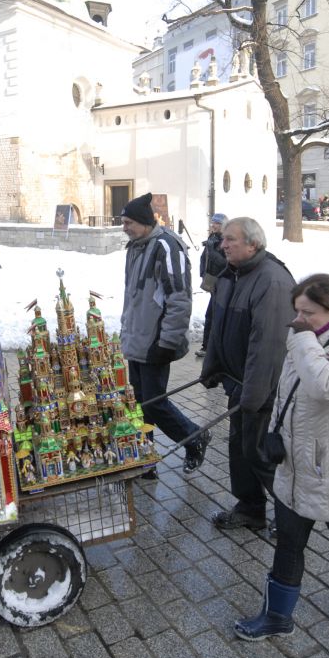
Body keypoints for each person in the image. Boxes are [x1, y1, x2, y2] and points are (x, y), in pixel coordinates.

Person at [235, 274, 329, 640]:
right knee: (288, 542)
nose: (298, 319)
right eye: (296, 311)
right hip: (297, 466)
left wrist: (302, 339)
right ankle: (276, 618)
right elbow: (288, 395)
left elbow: (327, 387)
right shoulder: (307, 339)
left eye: (308, 313)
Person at [201, 217, 294, 530]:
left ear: (253, 244)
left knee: (258, 453)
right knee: (240, 450)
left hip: (262, 387)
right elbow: (215, 326)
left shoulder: (272, 281)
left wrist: (252, 396)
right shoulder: (232, 274)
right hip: (240, 384)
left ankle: (290, 519)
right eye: (224, 239)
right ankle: (250, 509)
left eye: (230, 239)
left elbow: (268, 346)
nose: (223, 244)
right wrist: (213, 367)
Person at [120, 192, 211, 477]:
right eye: (123, 221)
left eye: (129, 222)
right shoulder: (137, 245)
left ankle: (193, 436)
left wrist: (167, 341)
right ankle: (146, 459)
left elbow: (179, 299)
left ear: (145, 222)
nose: (124, 227)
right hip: (137, 338)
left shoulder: (166, 247)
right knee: (138, 403)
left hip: (155, 342)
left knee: (154, 403)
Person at [195, 213, 227, 358]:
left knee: (214, 316)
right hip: (212, 282)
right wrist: (203, 273)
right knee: (210, 316)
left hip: (223, 283)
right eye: (212, 223)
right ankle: (207, 347)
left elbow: (224, 263)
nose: (213, 225)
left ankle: (211, 348)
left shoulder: (226, 240)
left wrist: (212, 250)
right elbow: (204, 258)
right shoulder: (212, 238)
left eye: (217, 223)